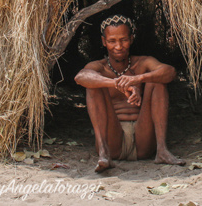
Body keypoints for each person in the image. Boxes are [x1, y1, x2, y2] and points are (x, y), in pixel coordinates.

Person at [74, 15, 185, 172]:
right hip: (113, 141)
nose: (118, 46)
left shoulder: (143, 62)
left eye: (123, 40)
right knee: (94, 85)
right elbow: (81, 77)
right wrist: (117, 83)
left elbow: (170, 72)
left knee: (157, 80)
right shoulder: (99, 66)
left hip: (143, 140)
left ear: (131, 39)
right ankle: (104, 154)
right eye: (112, 41)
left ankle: (162, 151)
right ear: (104, 42)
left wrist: (138, 79)